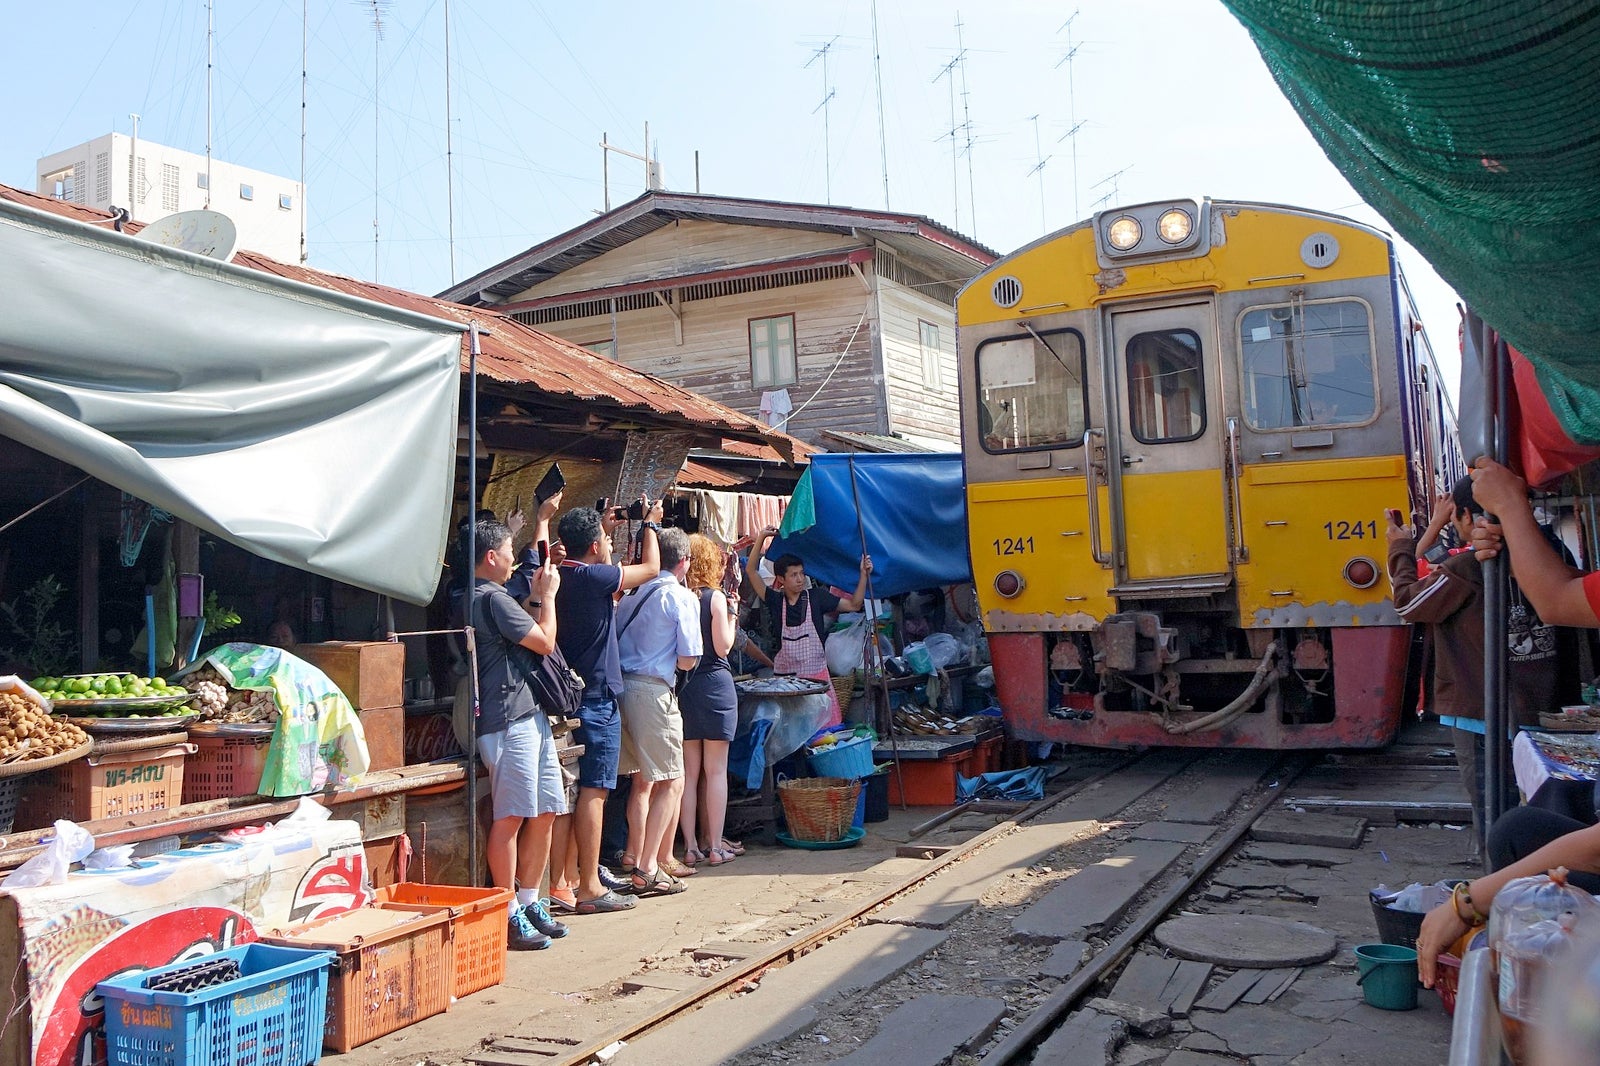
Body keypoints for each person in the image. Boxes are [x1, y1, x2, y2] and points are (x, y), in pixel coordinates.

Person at [1386, 477, 1567, 850]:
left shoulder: (1468, 569)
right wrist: (1435, 526)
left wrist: (1399, 547)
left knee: (1493, 813)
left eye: (1456, 518)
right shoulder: (1553, 553)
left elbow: (1407, 602)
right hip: (1547, 709)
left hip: (1481, 714)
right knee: (1543, 809)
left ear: (1468, 516)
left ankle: (1498, 887)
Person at [547, 501, 663, 916]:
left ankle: (574, 878)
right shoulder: (592, 576)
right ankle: (590, 887)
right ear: (595, 546)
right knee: (594, 792)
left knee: (576, 794)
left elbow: (611, 579)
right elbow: (650, 569)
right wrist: (648, 525)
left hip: (571, 696)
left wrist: (604, 535)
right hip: (595, 698)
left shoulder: (560, 577)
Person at [462, 515, 570, 950]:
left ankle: (529, 900)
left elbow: (521, 626)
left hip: (527, 714)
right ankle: (508, 911)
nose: (513, 559)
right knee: (510, 817)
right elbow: (544, 641)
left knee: (544, 809)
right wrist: (548, 596)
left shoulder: (484, 596)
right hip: (507, 718)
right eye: (509, 551)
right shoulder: (489, 597)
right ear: (491, 557)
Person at [616, 526, 702, 896]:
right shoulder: (681, 597)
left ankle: (636, 855)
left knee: (642, 780)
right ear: (684, 562)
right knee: (673, 780)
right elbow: (687, 659)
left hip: (622, 688)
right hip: (653, 691)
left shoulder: (632, 595)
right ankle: (649, 867)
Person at [745, 529, 872, 726]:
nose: (800, 579)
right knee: (792, 733)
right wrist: (761, 537)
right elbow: (751, 571)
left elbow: (854, 605)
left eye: (801, 573)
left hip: (817, 684)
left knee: (824, 732)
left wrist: (863, 575)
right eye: (794, 575)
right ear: (781, 579)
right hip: (787, 686)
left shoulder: (817, 597)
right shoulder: (775, 600)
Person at [678, 534, 739, 867]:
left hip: (687, 688)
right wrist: (732, 616)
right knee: (716, 772)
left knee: (689, 773)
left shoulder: (681, 597)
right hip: (715, 686)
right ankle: (715, 847)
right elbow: (724, 646)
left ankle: (689, 847)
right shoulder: (715, 599)